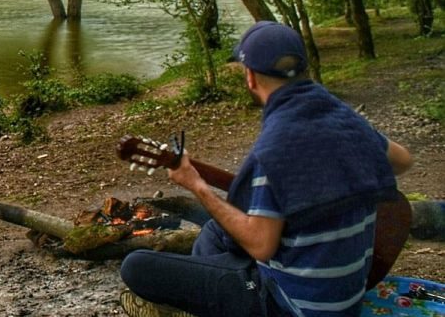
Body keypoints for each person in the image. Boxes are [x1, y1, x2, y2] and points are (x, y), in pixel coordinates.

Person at [119, 21, 414, 317]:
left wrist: (196, 185)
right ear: (302, 68)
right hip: (344, 290)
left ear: (250, 78)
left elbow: (261, 245)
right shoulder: (346, 120)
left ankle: (230, 295)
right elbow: (403, 161)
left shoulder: (275, 149)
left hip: (295, 304)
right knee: (214, 231)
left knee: (136, 265)